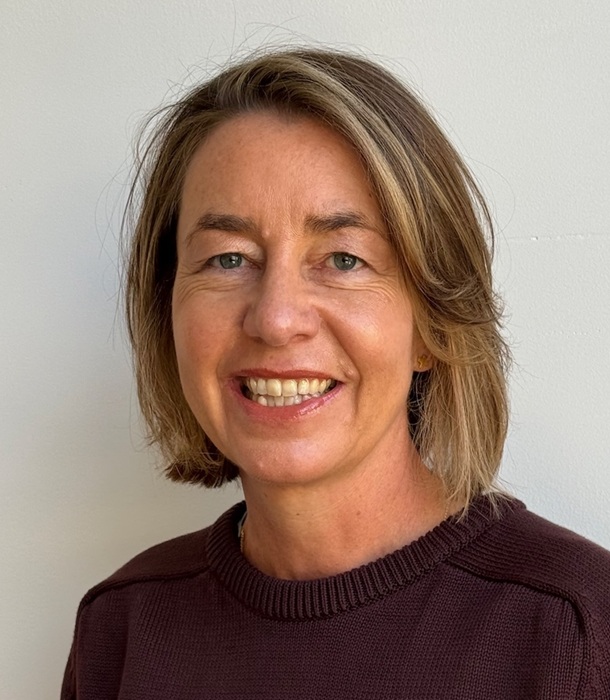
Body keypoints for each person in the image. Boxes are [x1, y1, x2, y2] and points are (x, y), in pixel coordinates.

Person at [61, 48, 610, 699]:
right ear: (168, 308)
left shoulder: (574, 630)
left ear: (432, 324)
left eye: (344, 259)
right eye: (229, 258)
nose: (276, 319)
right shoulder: (123, 628)